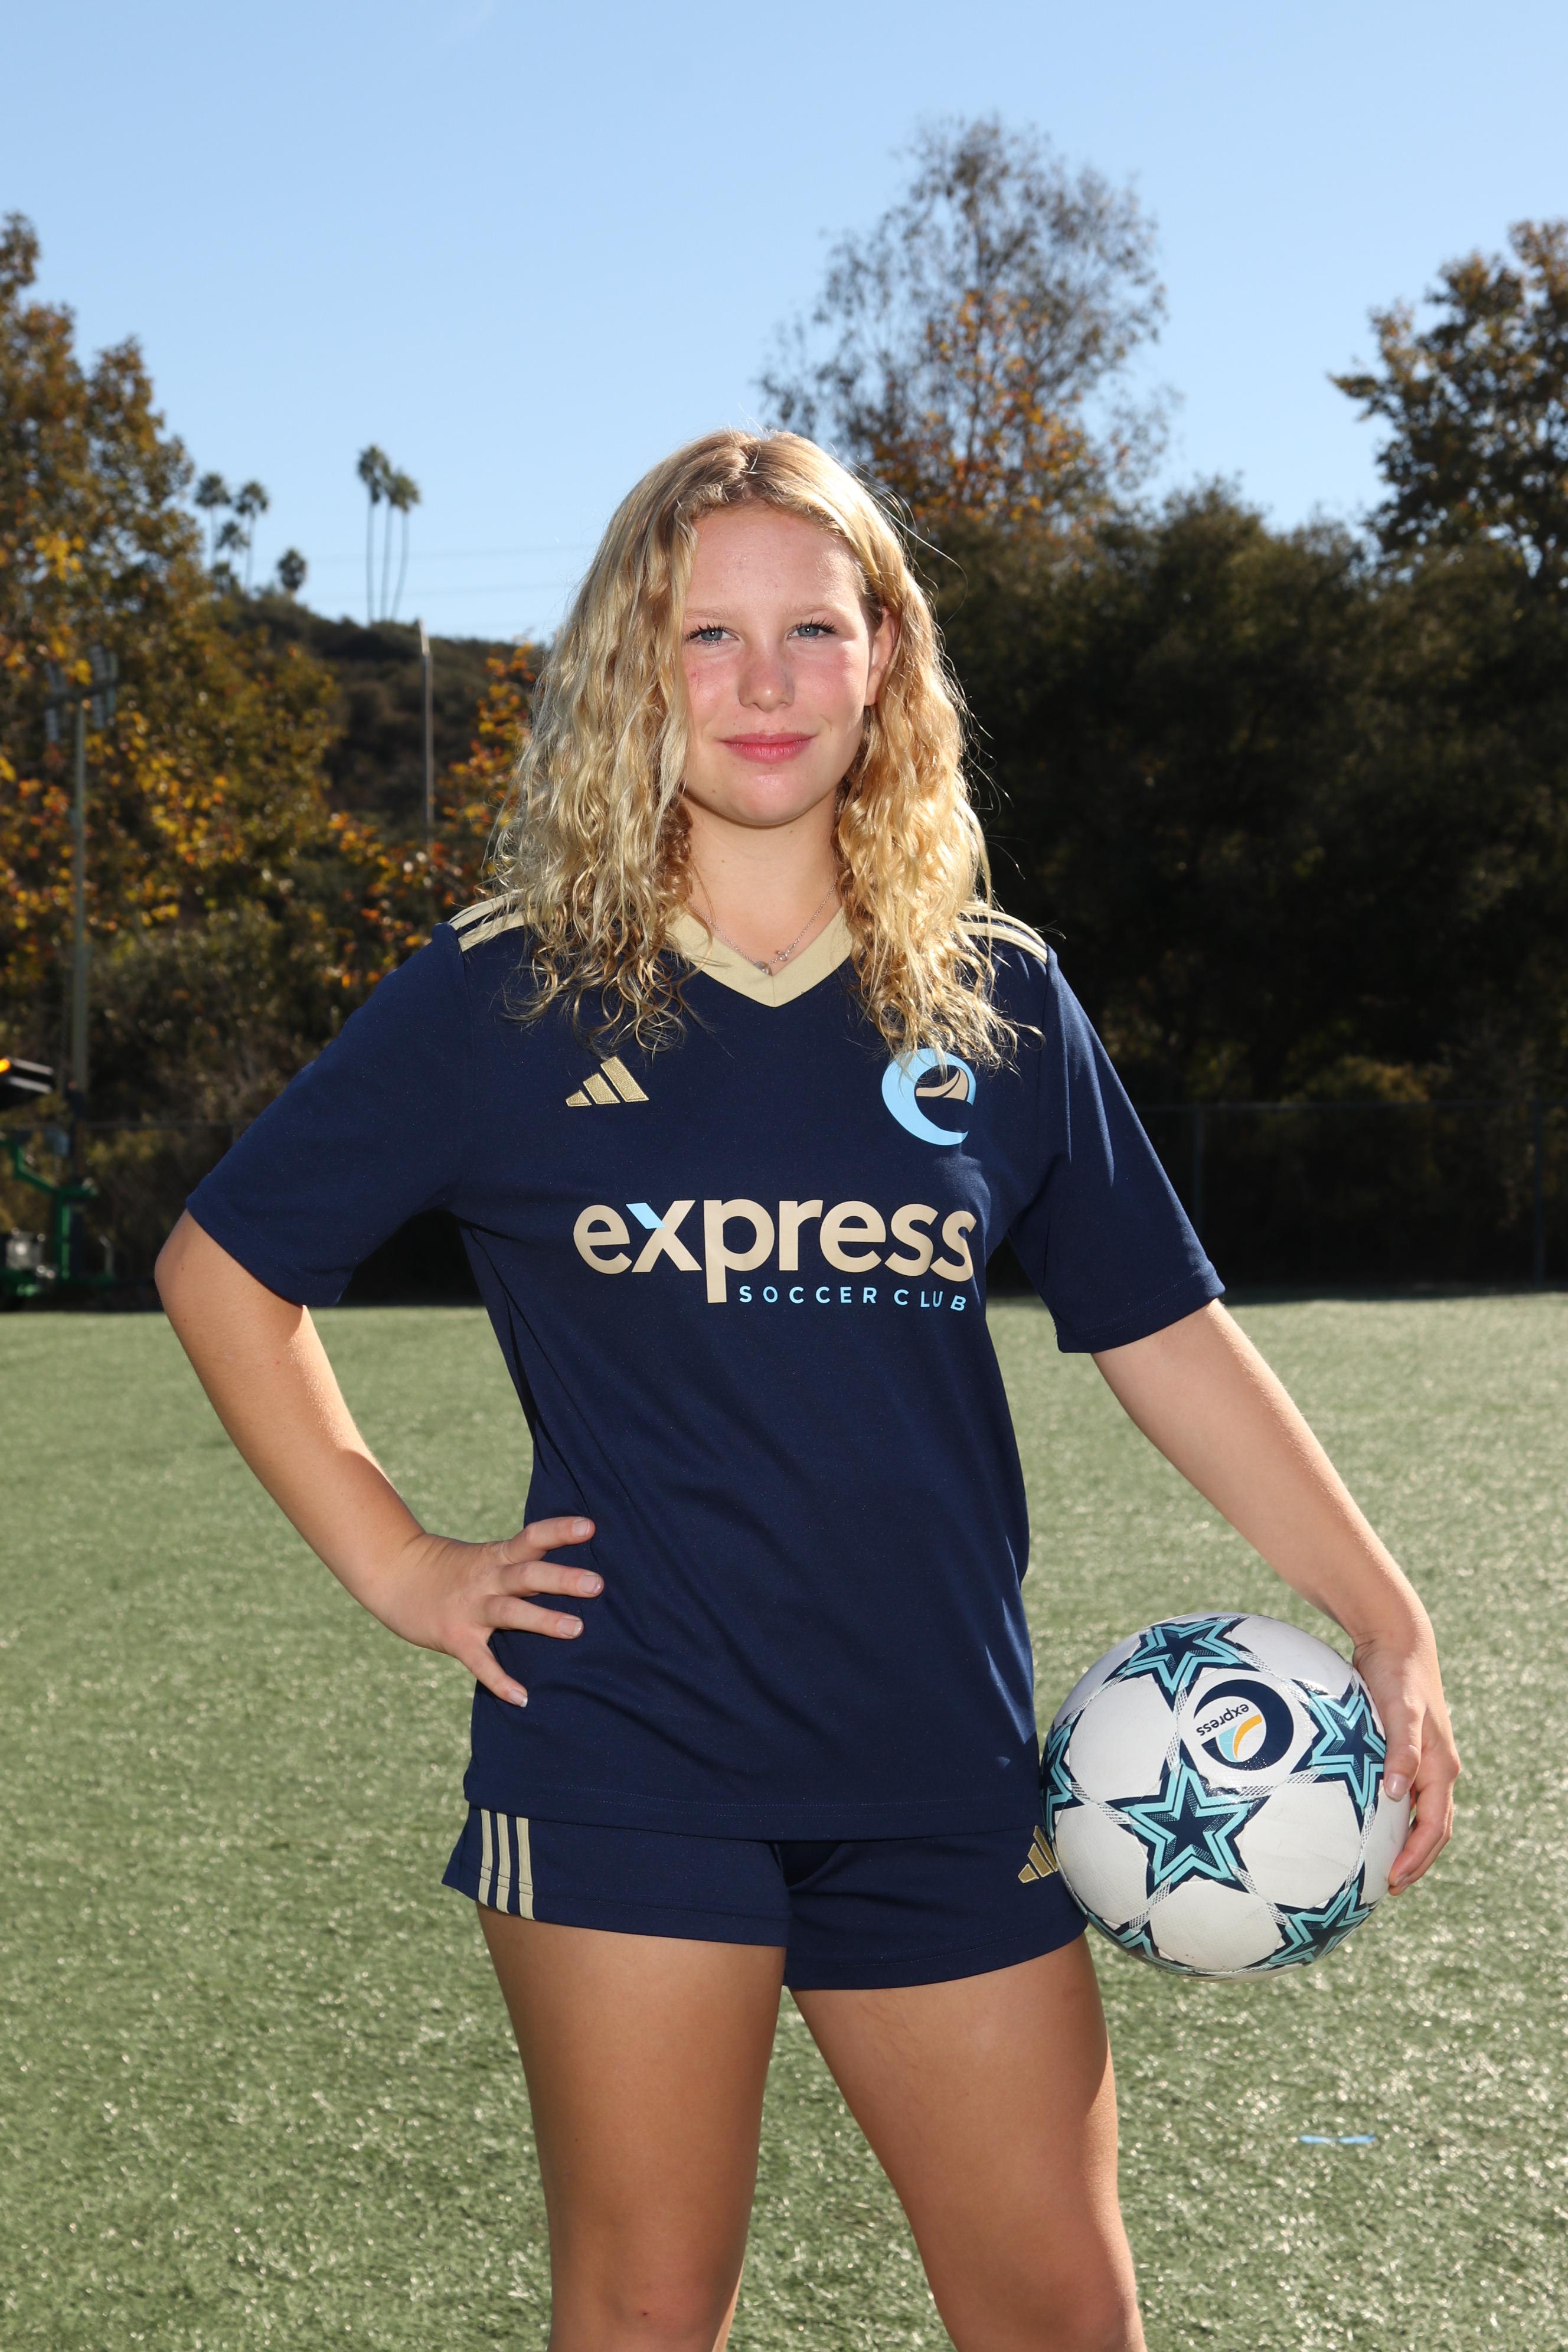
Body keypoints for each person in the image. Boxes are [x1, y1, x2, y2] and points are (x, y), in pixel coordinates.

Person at [156, 429, 1458, 2352]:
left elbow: (1163, 1329)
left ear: (885, 660)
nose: (763, 682)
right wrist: (402, 1564)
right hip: (631, 1765)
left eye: (813, 630)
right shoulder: (508, 991)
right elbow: (224, 1268)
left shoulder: (996, 999)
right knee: (647, 2312)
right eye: (709, 634)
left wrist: (1385, 1609)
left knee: (1065, 2317)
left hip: (945, 1769)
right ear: (633, 664)